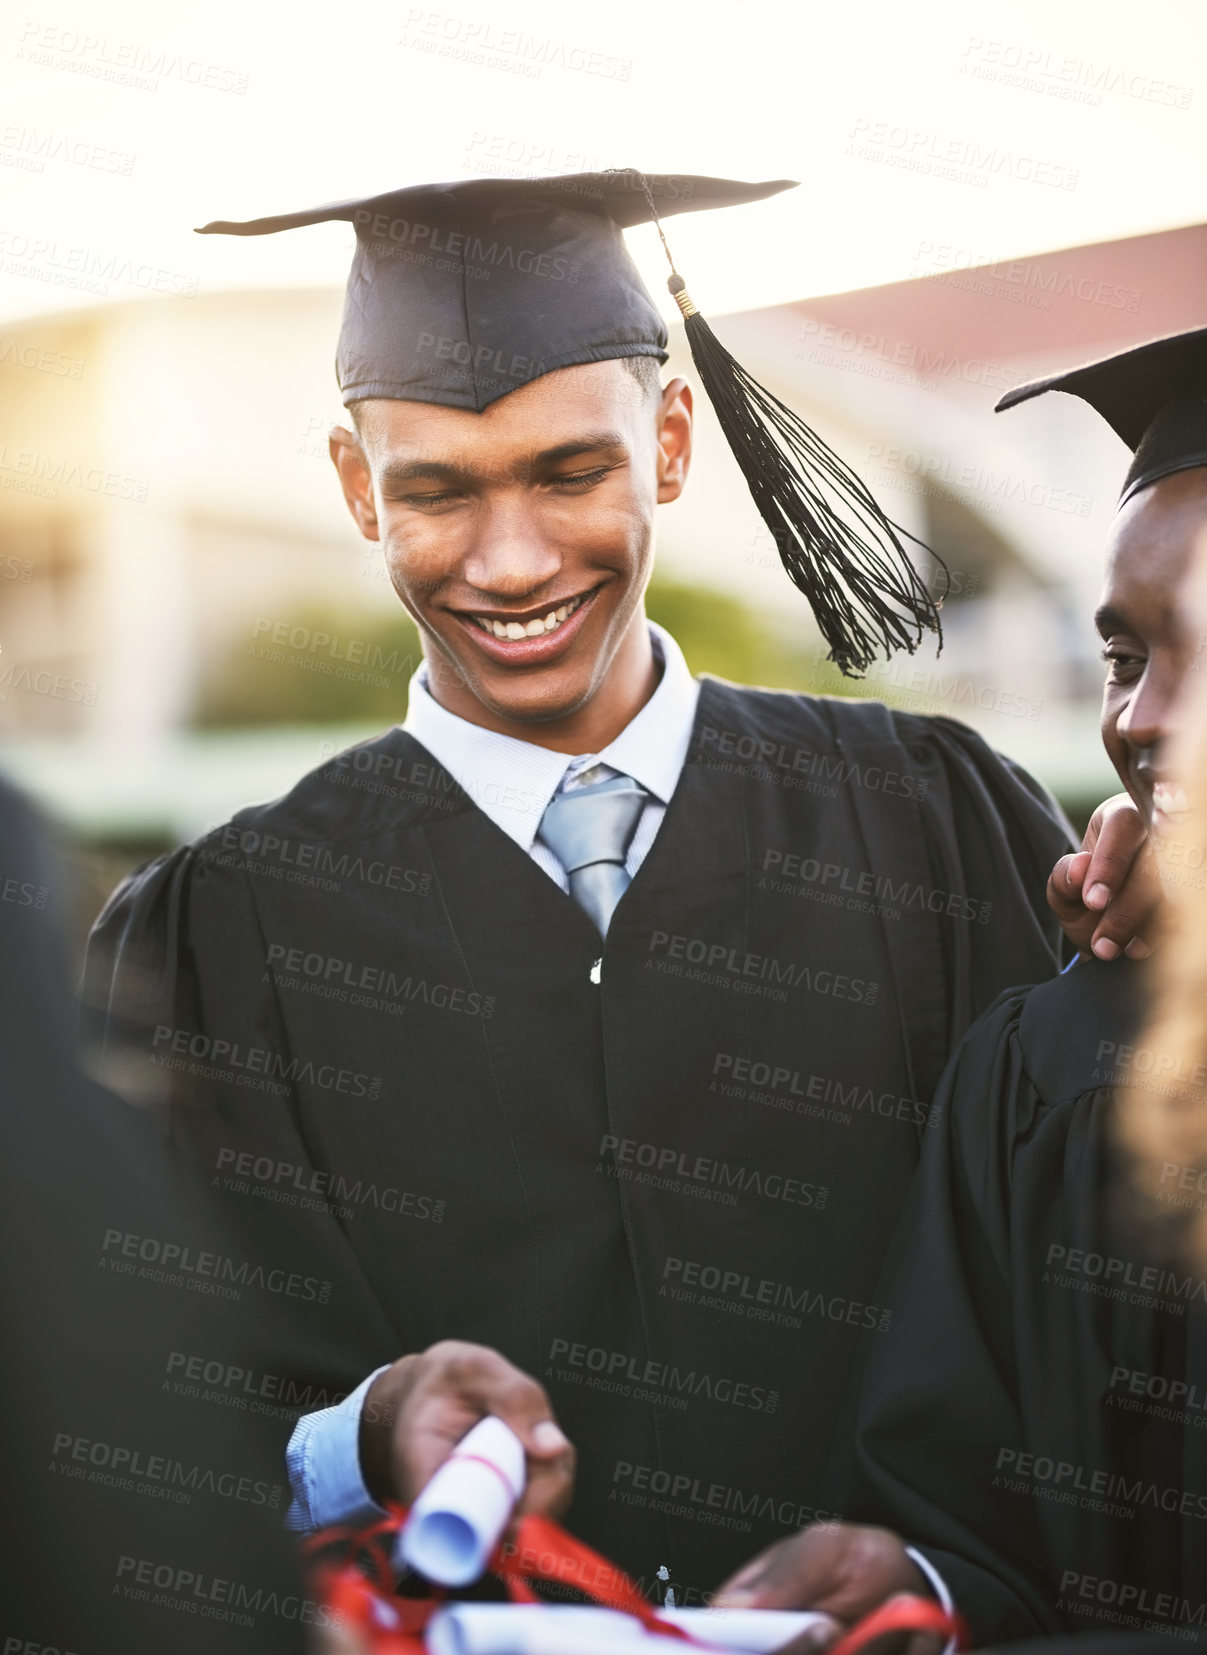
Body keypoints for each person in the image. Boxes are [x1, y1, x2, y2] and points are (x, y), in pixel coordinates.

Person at [80, 168, 1147, 1603]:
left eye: (569, 472)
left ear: (670, 437)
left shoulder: (939, 824)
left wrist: (1163, 969)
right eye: (436, 492)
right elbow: (126, 1423)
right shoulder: (216, 933)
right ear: (353, 485)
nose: (511, 560)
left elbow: (1112, 1323)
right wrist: (363, 1437)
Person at [712, 326, 1207, 1644]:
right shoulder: (1058, 1065)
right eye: (1123, 656)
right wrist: (922, 1595)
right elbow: (973, 1519)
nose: (1143, 717)